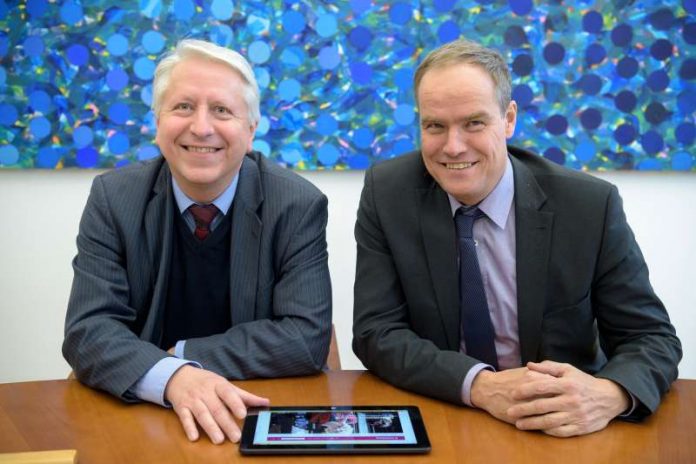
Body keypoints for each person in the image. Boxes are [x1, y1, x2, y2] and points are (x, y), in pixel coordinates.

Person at [352, 38, 681, 438]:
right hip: (445, 416)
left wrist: (610, 394)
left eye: (474, 122)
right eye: (435, 125)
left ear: (508, 119)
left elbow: (649, 337)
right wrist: (481, 385)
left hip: (563, 429)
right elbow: (376, 332)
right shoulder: (388, 194)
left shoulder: (589, 206)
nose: (453, 147)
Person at [63, 39, 332, 444]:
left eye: (222, 110)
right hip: (143, 409)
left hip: (255, 409)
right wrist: (172, 379)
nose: (201, 127)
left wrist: (182, 358)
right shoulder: (113, 198)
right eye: (183, 107)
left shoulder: (296, 204)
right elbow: (89, 329)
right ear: (158, 121)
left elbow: (305, 337)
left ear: (251, 128)